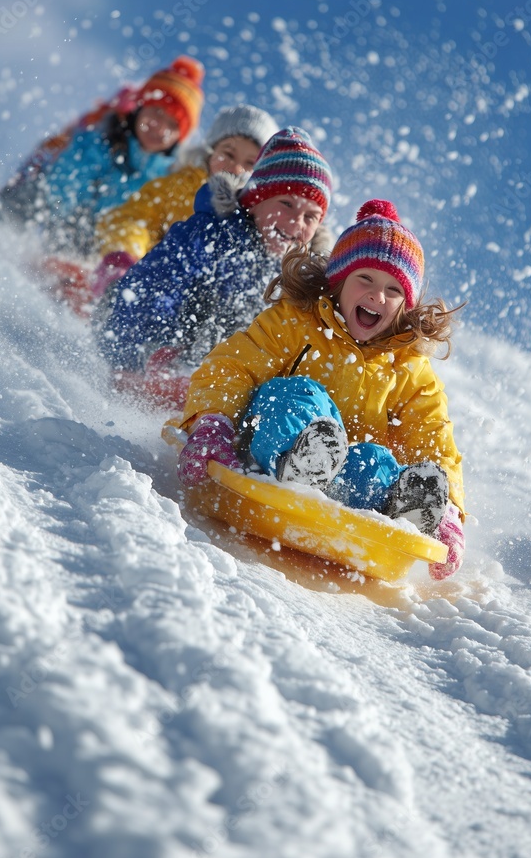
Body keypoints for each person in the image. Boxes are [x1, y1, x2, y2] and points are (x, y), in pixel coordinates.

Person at [176, 199, 466, 580]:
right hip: (262, 452)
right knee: (296, 396)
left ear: (405, 305)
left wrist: (450, 511)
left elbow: (433, 435)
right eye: (366, 279)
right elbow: (233, 367)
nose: (378, 296)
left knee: (375, 462)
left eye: (393, 289)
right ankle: (297, 460)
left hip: (343, 487)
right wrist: (212, 423)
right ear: (339, 280)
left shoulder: (410, 369)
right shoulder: (295, 322)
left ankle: (407, 508)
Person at [96, 126, 334, 403]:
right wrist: (132, 360)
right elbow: (152, 286)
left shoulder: (305, 274)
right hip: (154, 339)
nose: (296, 222)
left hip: (222, 370)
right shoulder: (212, 233)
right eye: (286, 204)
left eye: (311, 216)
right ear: (255, 201)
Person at [0, 55, 205, 254]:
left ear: (180, 137)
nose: (159, 128)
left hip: (103, 243)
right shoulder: (101, 139)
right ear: (139, 109)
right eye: (156, 112)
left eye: (172, 124)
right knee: (36, 195)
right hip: (60, 219)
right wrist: (60, 229)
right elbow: (65, 180)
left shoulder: (166, 177)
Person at [90, 103, 280, 298]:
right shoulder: (180, 187)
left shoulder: (258, 212)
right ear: (210, 151)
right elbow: (134, 219)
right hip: (158, 289)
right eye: (228, 154)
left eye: (250, 163)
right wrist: (124, 255)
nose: (236, 168)